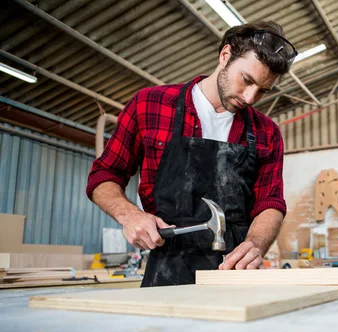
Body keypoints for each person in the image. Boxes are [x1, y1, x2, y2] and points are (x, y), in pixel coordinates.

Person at [86, 21, 296, 287]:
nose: (250, 98)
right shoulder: (149, 105)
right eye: (246, 81)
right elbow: (105, 174)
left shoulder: (267, 132)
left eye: (263, 90)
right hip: (166, 265)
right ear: (225, 55)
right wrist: (130, 216)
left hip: (234, 272)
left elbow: (270, 203)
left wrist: (255, 245)